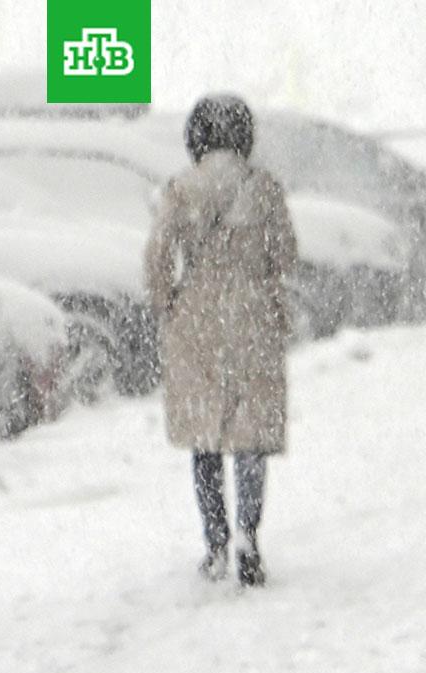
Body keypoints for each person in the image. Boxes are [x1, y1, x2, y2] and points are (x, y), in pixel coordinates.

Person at [143, 93, 297, 588]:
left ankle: (215, 543)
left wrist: (168, 302)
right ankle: (249, 535)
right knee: (250, 434)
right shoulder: (264, 188)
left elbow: (158, 255)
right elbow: (285, 255)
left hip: (198, 316)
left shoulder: (182, 188)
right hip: (251, 313)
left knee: (205, 434)